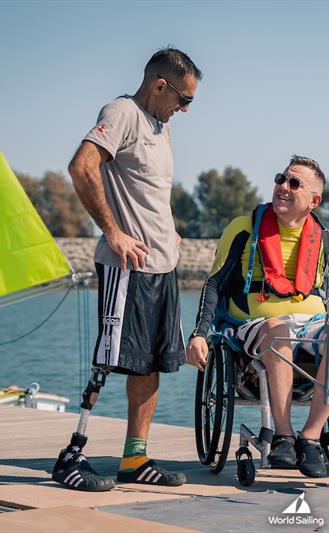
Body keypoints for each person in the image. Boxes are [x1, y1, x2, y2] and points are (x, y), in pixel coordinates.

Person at [52, 48, 202, 491]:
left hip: (162, 265)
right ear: (160, 85)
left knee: (150, 365)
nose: (185, 109)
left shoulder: (162, 125)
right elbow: (81, 167)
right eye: (184, 99)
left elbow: (151, 190)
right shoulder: (122, 113)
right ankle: (71, 456)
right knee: (108, 357)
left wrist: (169, 232)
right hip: (127, 267)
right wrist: (113, 232)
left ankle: (135, 459)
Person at [186, 155, 329, 478]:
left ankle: (310, 437)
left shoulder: (321, 236)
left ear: (314, 200)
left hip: (310, 325)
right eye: (281, 178)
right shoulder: (243, 228)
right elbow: (214, 284)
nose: (283, 186)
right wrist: (199, 332)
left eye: (294, 183)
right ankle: (283, 435)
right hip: (252, 327)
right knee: (278, 330)